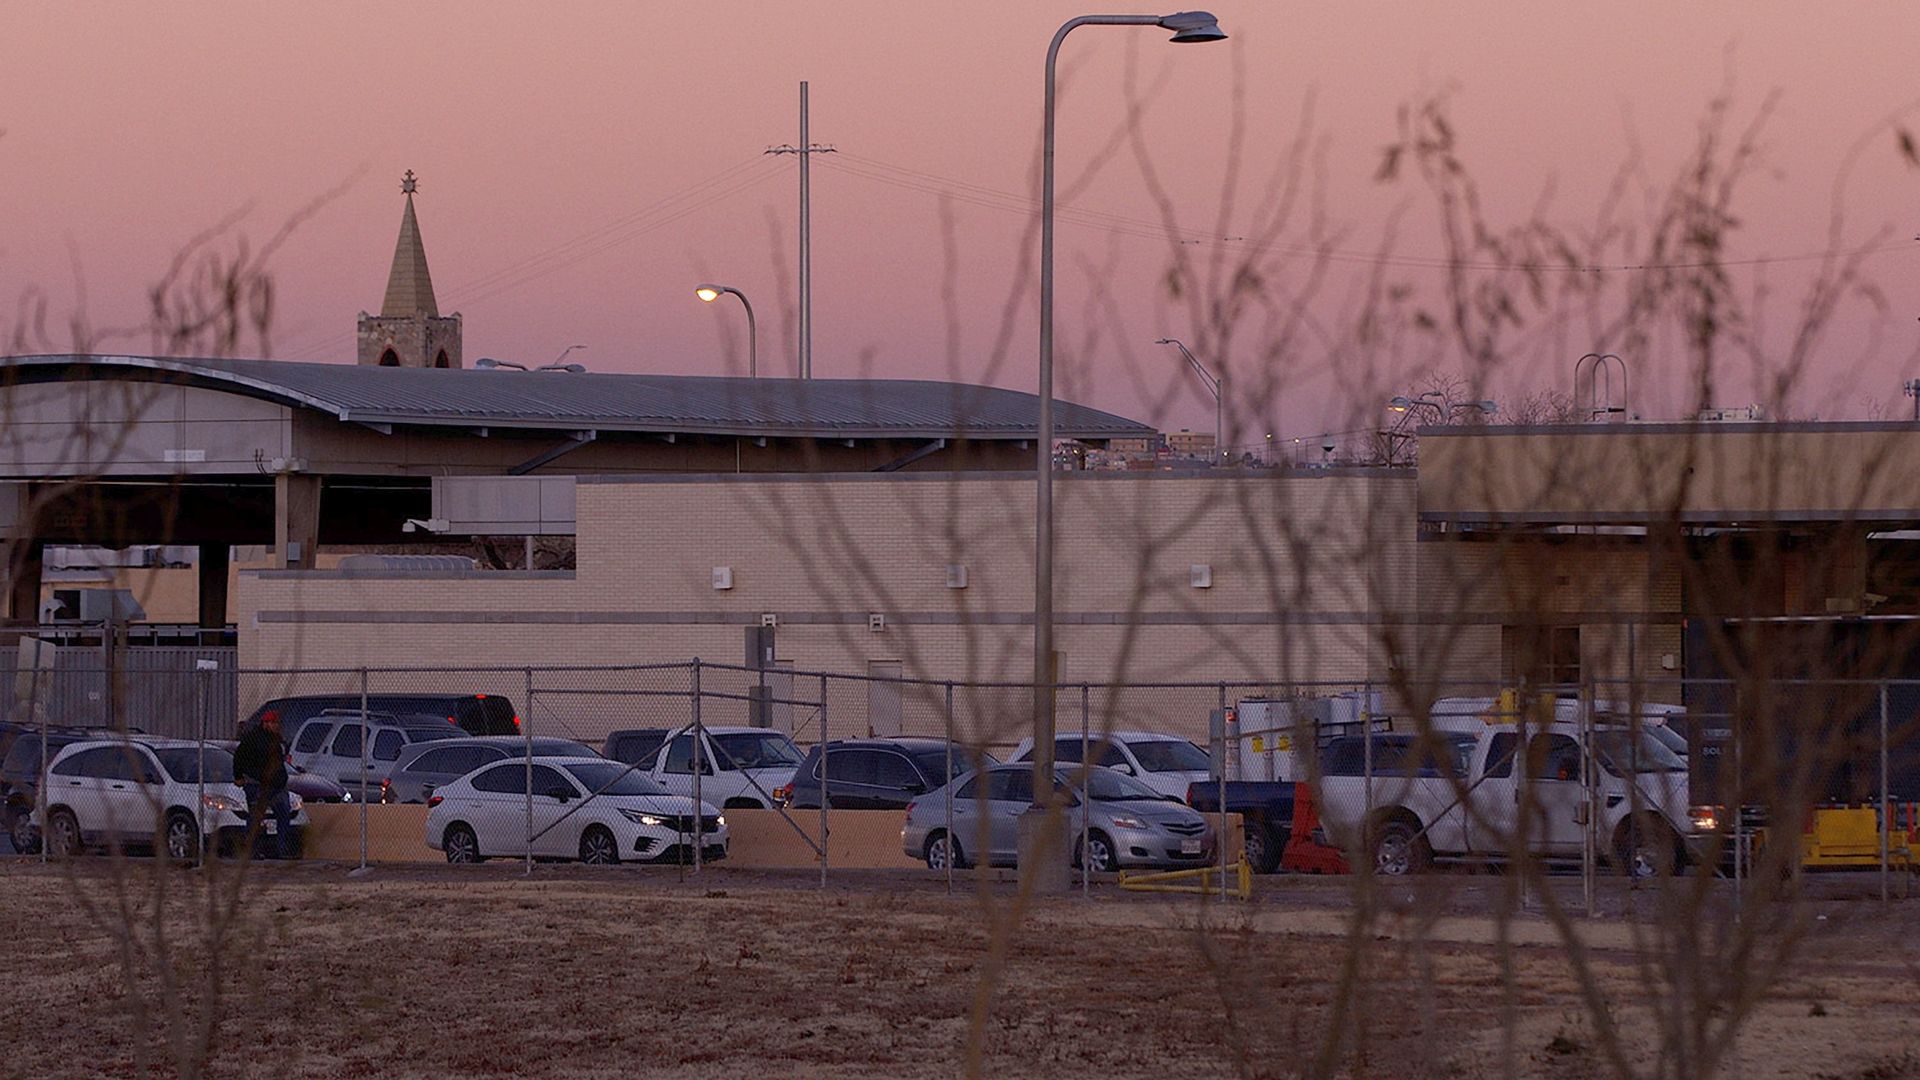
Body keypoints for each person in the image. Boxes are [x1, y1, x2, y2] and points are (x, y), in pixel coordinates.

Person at [233, 711, 294, 858]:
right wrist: (238, 776)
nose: (277, 726)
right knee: (255, 817)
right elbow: (239, 757)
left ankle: (281, 849)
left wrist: (281, 779)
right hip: (257, 784)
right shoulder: (253, 739)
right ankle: (251, 851)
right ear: (266, 724)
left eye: (277, 723)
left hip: (276, 786)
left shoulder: (277, 740)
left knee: (284, 813)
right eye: (274, 723)